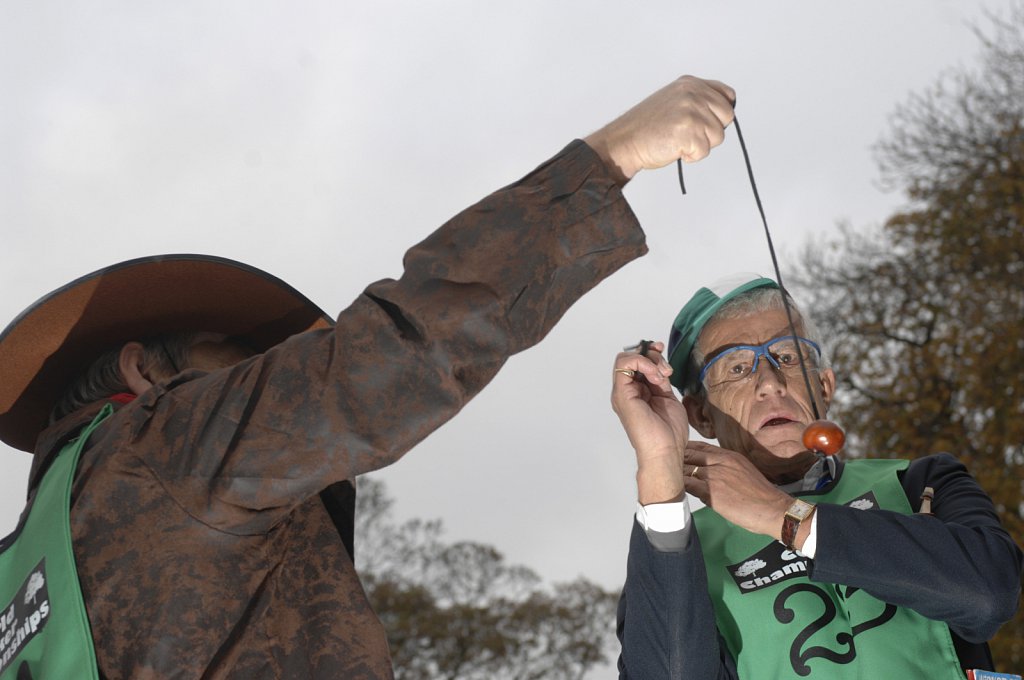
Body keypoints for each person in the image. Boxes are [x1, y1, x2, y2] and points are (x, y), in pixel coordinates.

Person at [0, 75, 735, 679]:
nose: (260, 379)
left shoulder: (25, 582)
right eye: (236, 362)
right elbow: (389, 356)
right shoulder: (158, 448)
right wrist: (608, 159)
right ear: (140, 369)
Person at [612, 275, 1023, 679]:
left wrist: (782, 515)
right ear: (701, 415)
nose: (770, 383)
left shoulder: (917, 481)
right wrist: (659, 466)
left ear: (824, 387)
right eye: (737, 367)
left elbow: (989, 594)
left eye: (788, 357)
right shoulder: (681, 549)